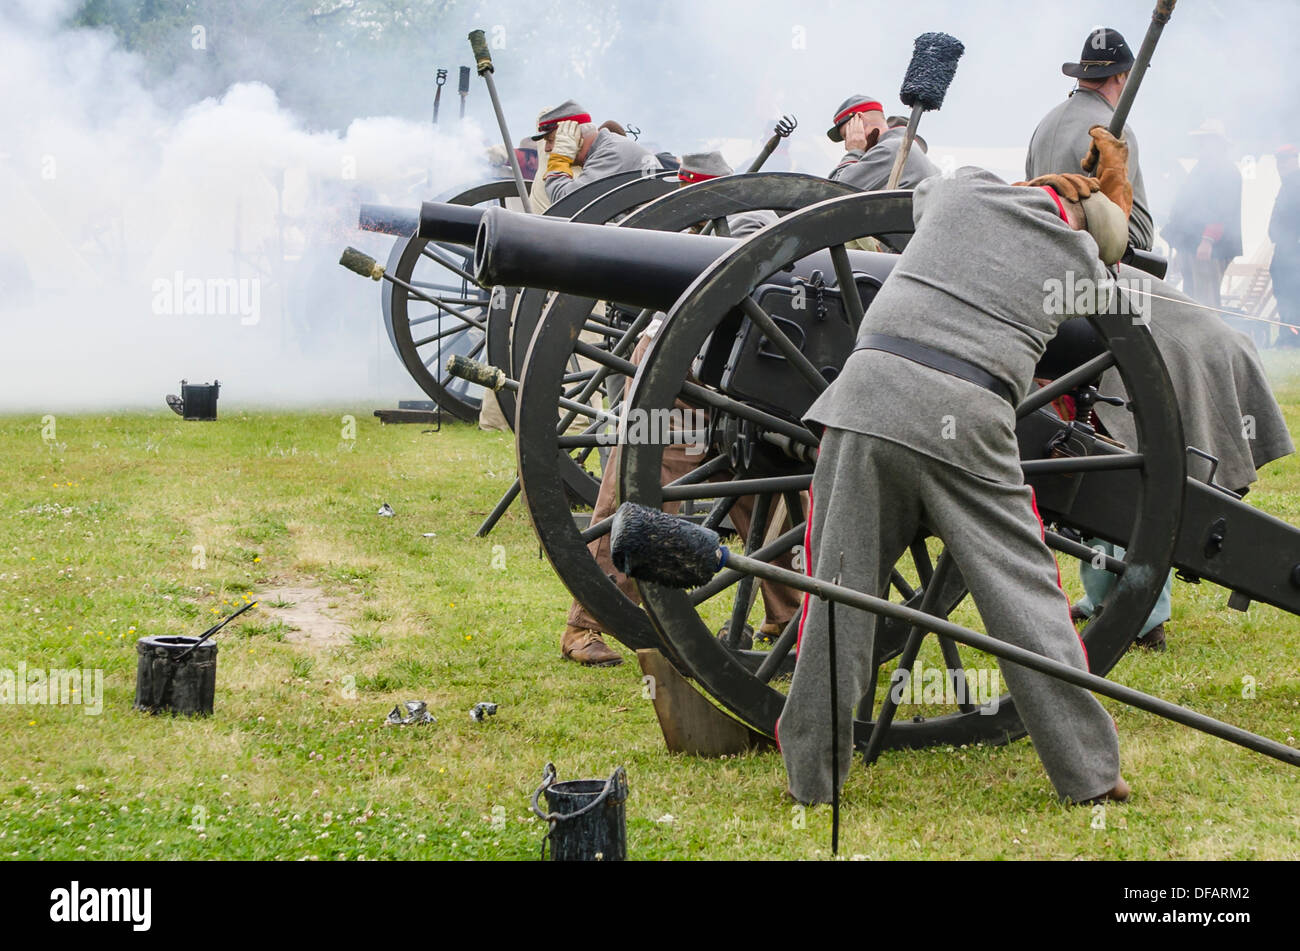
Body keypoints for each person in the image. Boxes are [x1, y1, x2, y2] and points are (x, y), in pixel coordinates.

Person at [778, 127, 1136, 806]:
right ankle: (1089, 773)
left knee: (838, 595)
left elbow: (922, 201)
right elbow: (1105, 284)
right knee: (1024, 598)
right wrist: (1111, 204)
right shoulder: (1080, 257)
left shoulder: (965, 185)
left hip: (863, 397)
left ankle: (811, 781)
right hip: (965, 416)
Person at [561, 152, 799, 667]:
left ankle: (786, 612)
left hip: (731, 379)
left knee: (753, 490)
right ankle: (586, 624)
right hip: (679, 374)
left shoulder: (742, 221)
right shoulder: (706, 229)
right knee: (640, 489)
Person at [1026, 27, 1155, 252]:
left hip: (1044, 251)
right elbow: (1117, 219)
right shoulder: (1116, 132)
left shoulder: (1044, 124)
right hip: (1101, 261)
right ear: (1119, 76)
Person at [1165, 120, 1242, 308]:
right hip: (1193, 244)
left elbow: (1222, 209)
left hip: (1210, 247)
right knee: (1192, 299)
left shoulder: (1226, 170)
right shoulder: (1203, 168)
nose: (1200, 144)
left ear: (1218, 143)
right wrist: (1182, 247)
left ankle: (1210, 338)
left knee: (1206, 302)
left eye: (1205, 140)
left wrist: (1207, 240)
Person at [534, 99, 662, 206]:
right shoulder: (609, 147)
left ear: (575, 137)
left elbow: (566, 205)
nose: (547, 148)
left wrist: (558, 162)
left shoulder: (610, 154)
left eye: (550, 140)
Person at [1269, 145, 1300, 345]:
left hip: (1293, 251)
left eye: (1286, 159)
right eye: (1279, 160)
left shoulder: (1295, 183)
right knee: (1284, 293)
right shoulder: (1287, 184)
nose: (1281, 164)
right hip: (1284, 249)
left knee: (1292, 294)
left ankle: (1291, 338)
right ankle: (1288, 336)